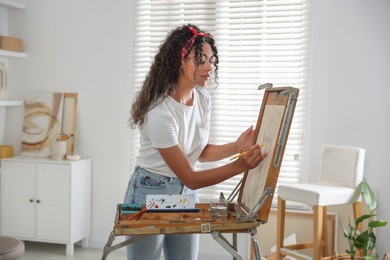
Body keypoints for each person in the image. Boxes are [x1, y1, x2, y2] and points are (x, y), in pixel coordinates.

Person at [125, 24, 267, 260]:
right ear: (180, 60)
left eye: (211, 60)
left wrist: (236, 147)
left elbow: (200, 152)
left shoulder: (202, 98)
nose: (209, 66)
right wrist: (239, 166)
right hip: (151, 189)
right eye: (200, 59)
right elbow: (191, 176)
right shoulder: (160, 113)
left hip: (184, 192)